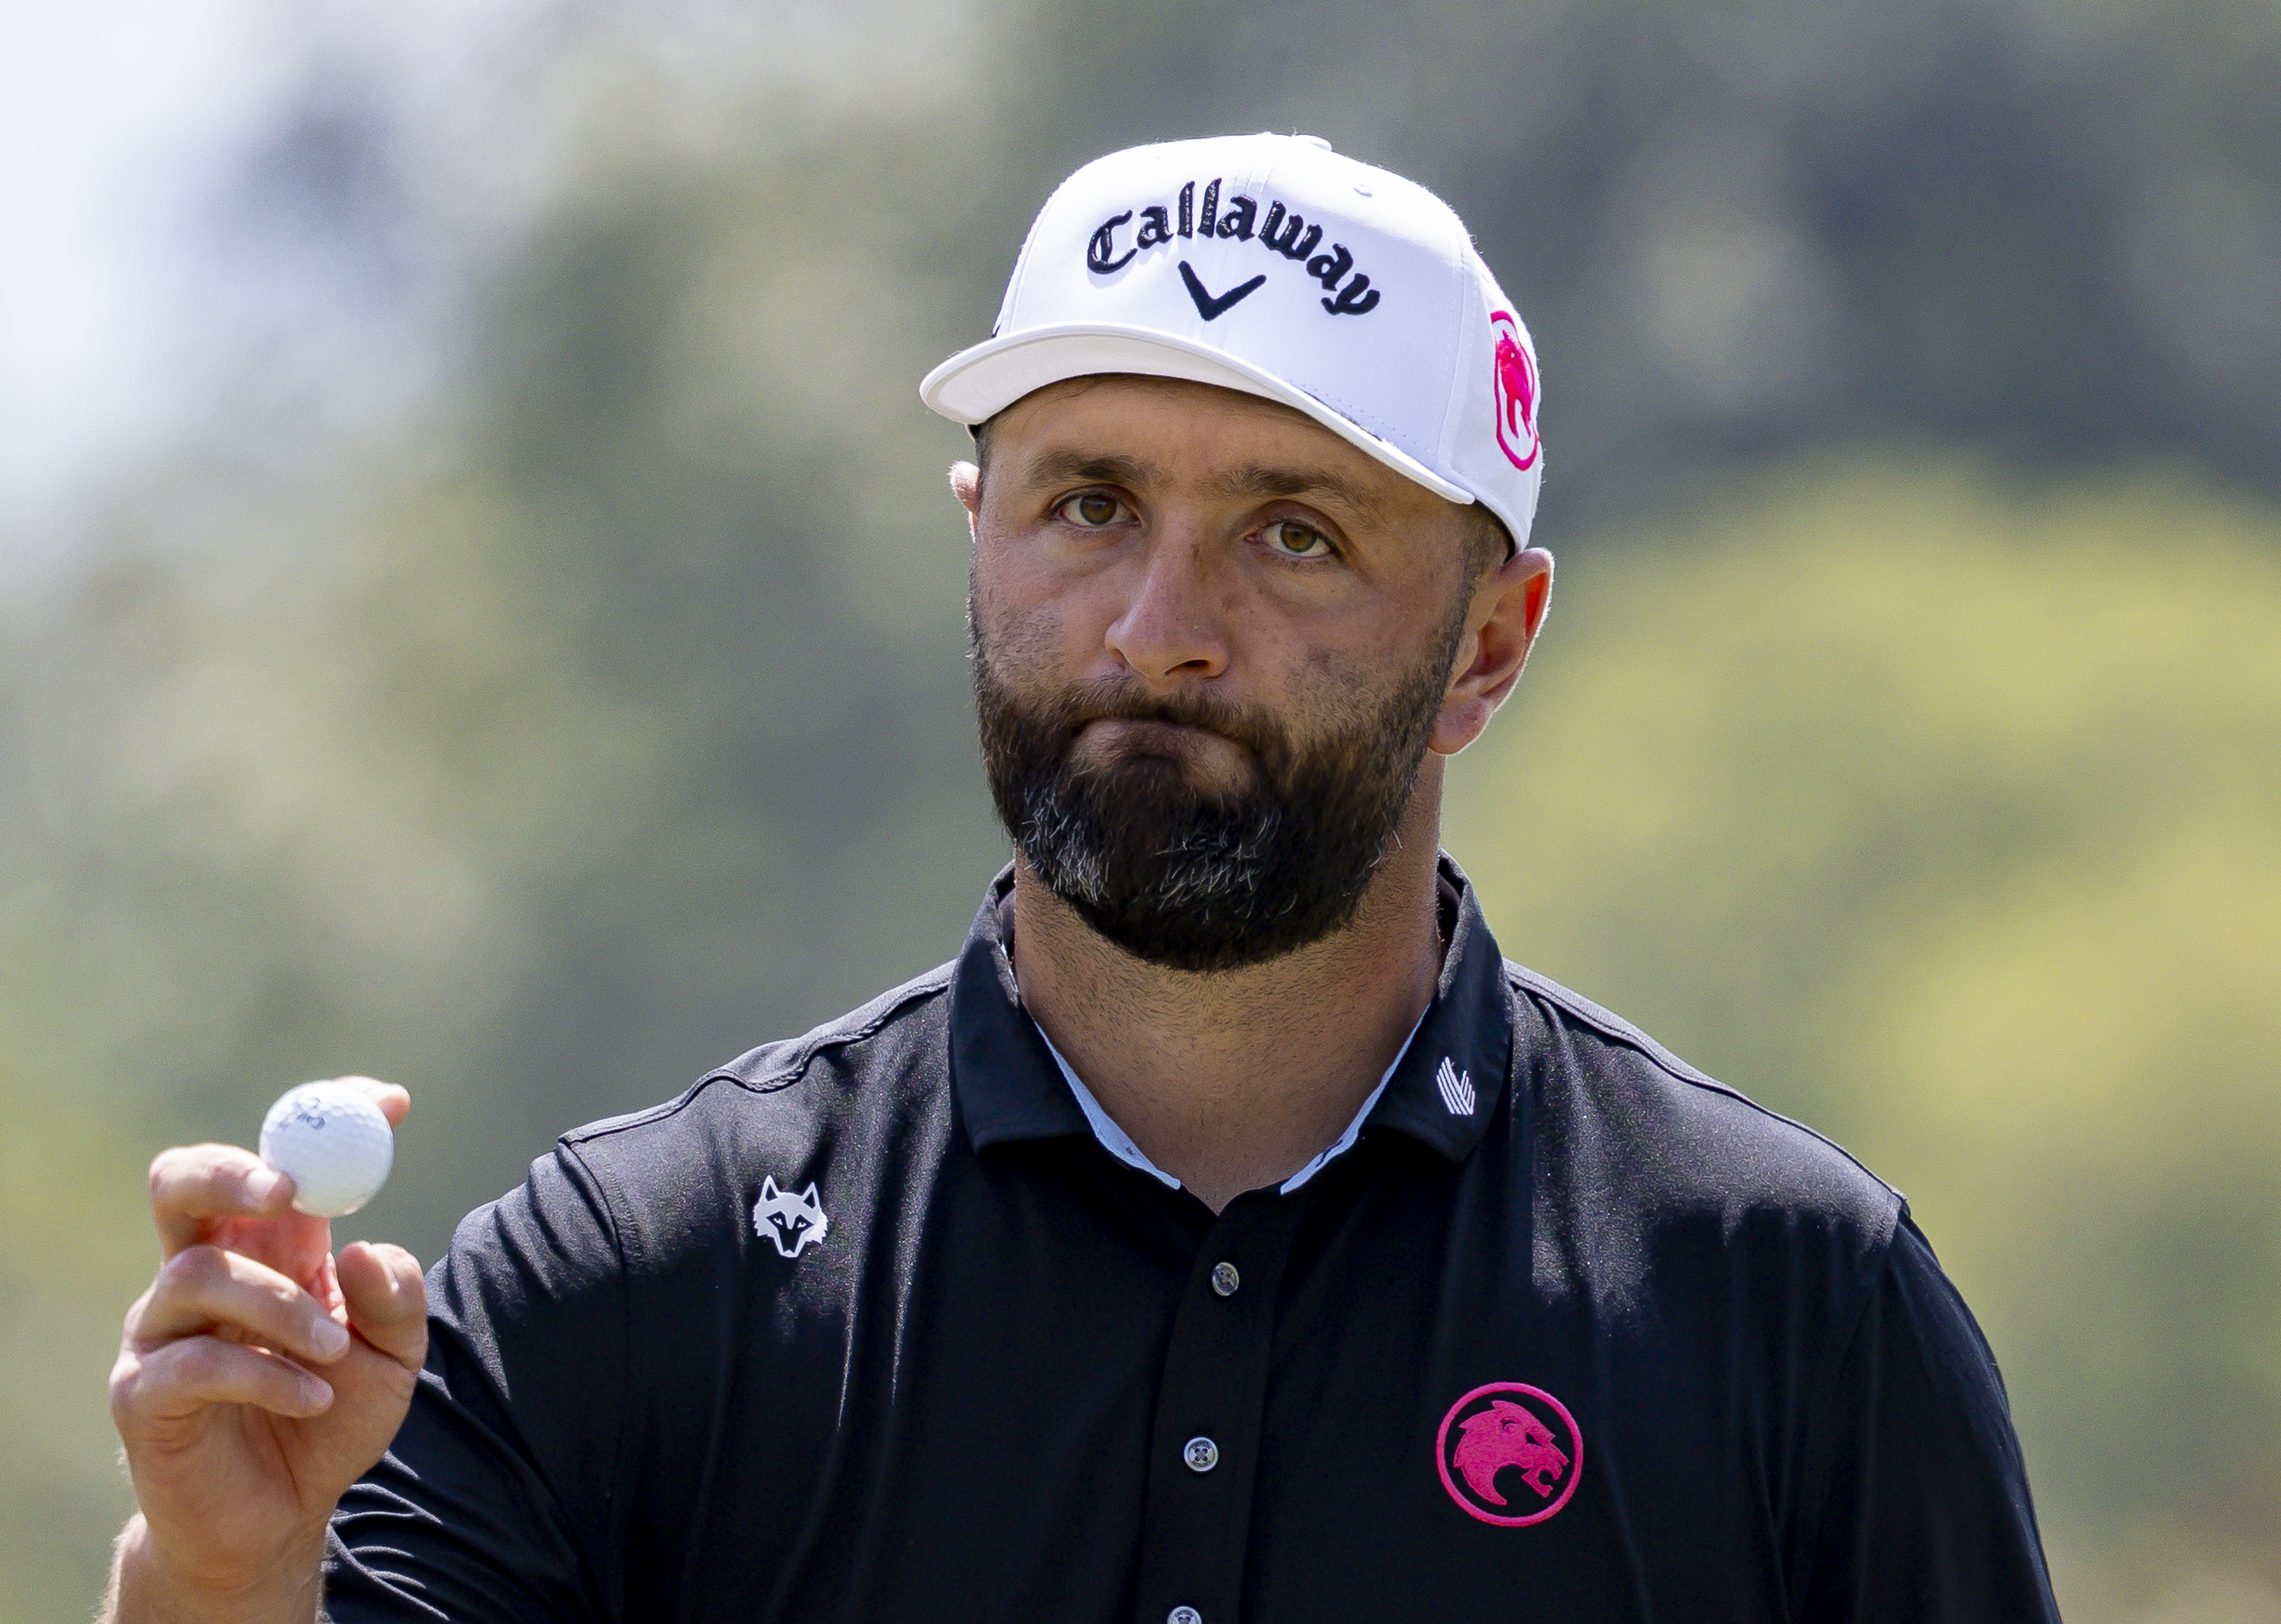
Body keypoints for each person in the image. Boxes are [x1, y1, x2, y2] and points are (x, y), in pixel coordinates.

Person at [102, 133, 2061, 1623]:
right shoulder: (628, 1284)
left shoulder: (1793, 1310)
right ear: (977, 535)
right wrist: (215, 1589)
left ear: (1489, 639)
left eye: (1293, 533)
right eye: (1086, 504)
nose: (1155, 627)